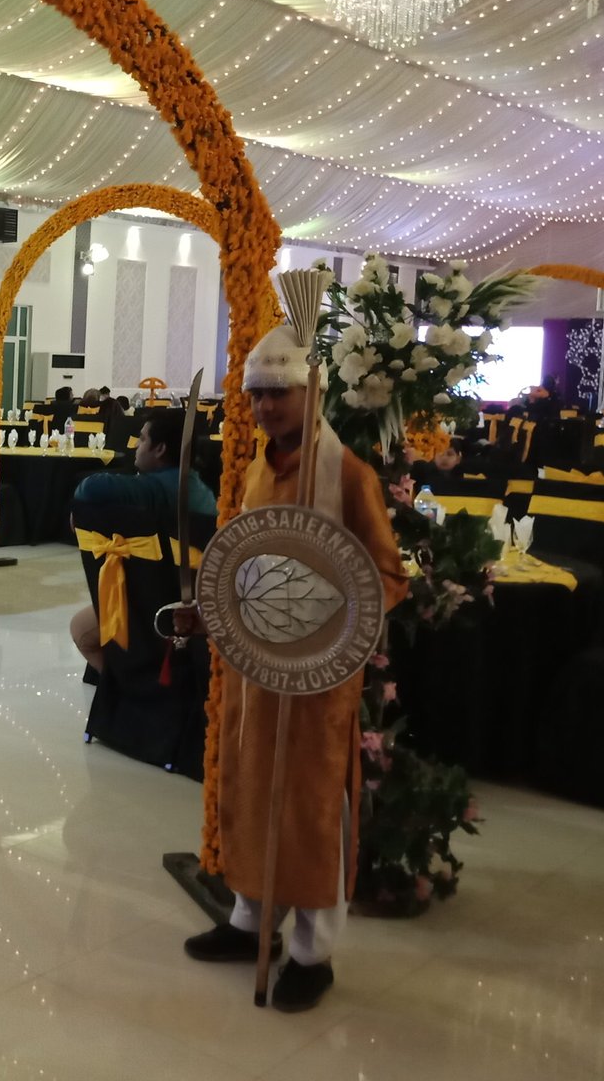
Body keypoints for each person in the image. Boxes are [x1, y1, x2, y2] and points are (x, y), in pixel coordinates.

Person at [178, 324, 406, 1014]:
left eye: (280, 392)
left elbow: (388, 577)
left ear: (314, 394)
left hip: (317, 679)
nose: (267, 406)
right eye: (258, 395)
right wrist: (211, 609)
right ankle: (251, 922)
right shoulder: (257, 467)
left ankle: (312, 953)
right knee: (250, 791)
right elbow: (244, 565)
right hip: (254, 671)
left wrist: (316, 611)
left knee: (309, 810)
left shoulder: (350, 475)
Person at [67, 408, 217, 673]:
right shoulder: (201, 491)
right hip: (195, 600)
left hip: (158, 605)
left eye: (142, 439)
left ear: (160, 449)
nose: (136, 445)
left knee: (81, 630)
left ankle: (121, 686)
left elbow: (88, 488)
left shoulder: (156, 490)